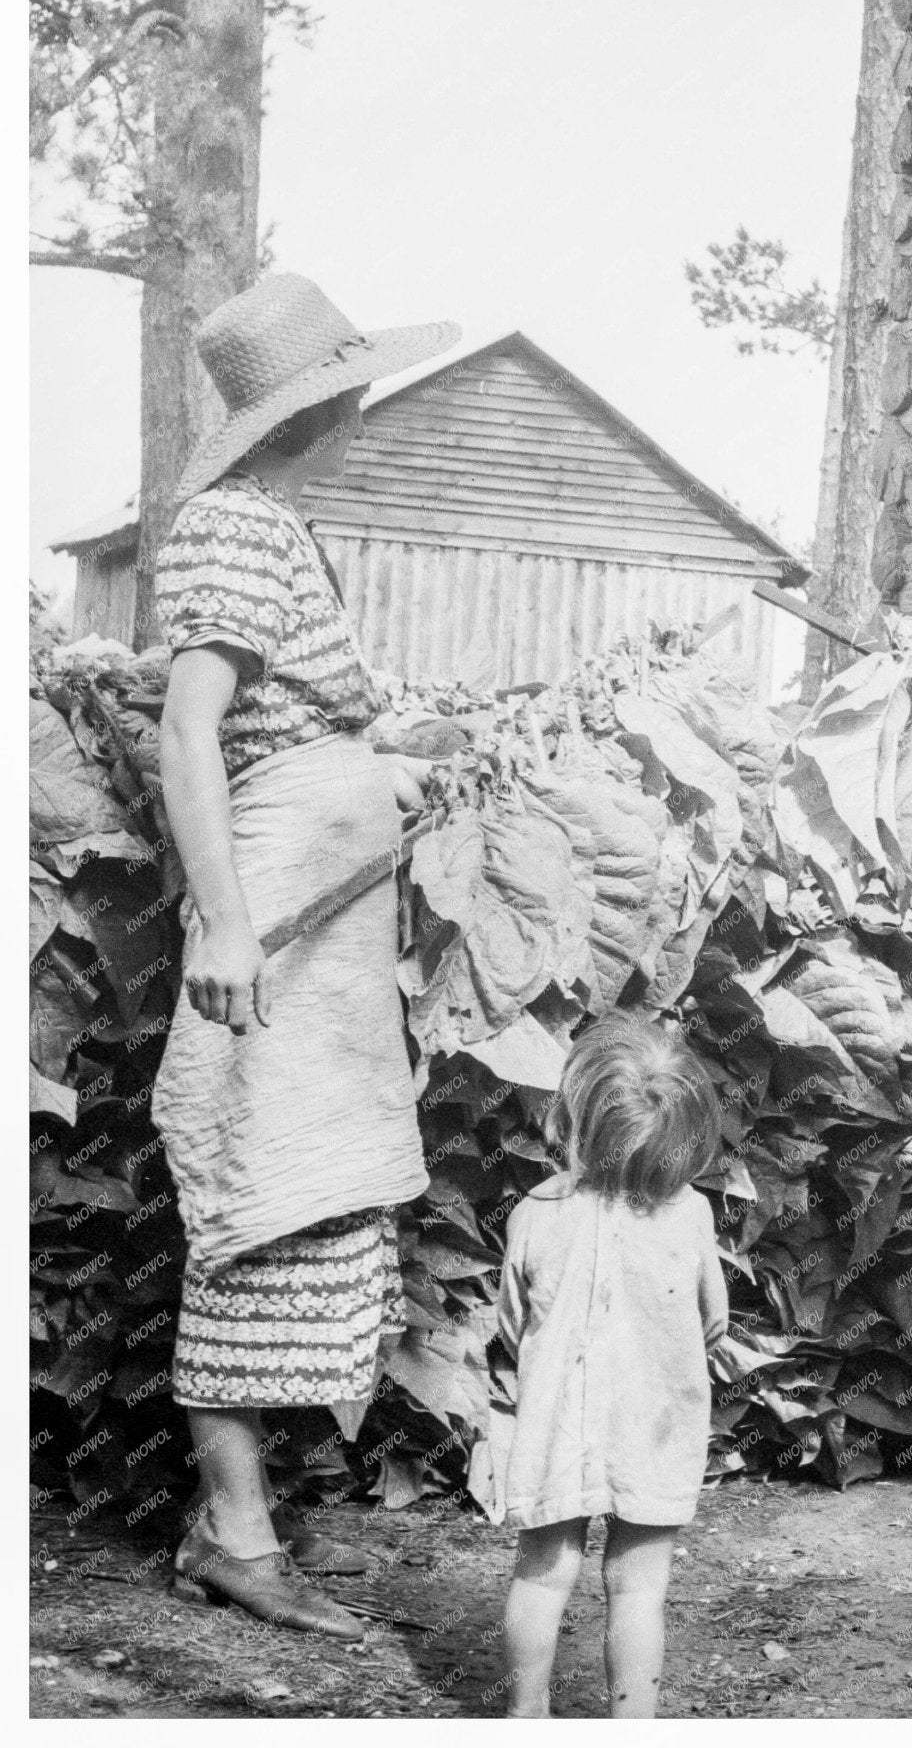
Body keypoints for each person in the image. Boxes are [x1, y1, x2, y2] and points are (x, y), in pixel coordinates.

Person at [154, 273, 458, 1638]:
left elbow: (287, 718)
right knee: (255, 1206)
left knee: (317, 1209)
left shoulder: (277, 525)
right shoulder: (230, 524)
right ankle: (233, 1533)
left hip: (319, 923)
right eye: (354, 394)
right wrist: (223, 923)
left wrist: (391, 761)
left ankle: (237, 1520)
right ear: (322, 403)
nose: (364, 411)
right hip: (269, 916)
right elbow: (191, 731)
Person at [486, 1012, 730, 1719]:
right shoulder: (690, 1215)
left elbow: (511, 1321)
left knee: (540, 1574)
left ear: (572, 1115)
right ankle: (632, 1723)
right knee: (638, 1585)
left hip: (555, 1423)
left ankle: (525, 1715)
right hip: (653, 1425)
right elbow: (711, 1321)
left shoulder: (535, 1210)